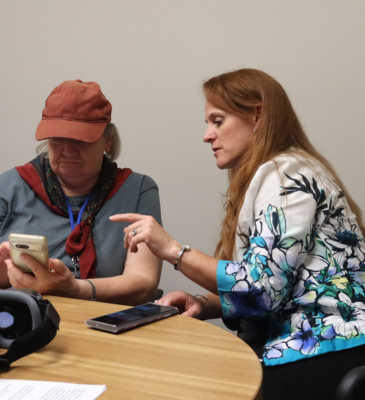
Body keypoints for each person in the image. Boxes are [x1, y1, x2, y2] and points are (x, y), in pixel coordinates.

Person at [110, 69, 365, 399]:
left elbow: (261, 290)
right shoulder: (284, 171)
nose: (207, 135)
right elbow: (274, 283)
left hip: (329, 346)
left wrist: (173, 250)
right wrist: (204, 304)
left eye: (218, 121)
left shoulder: (287, 176)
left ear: (257, 115)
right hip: (314, 344)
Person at [0, 79, 162, 305]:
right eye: (57, 139)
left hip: (109, 324)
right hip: (25, 322)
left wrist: (75, 289)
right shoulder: (10, 186)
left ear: (108, 140)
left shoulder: (137, 190)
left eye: (81, 140)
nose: (68, 150)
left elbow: (143, 282)